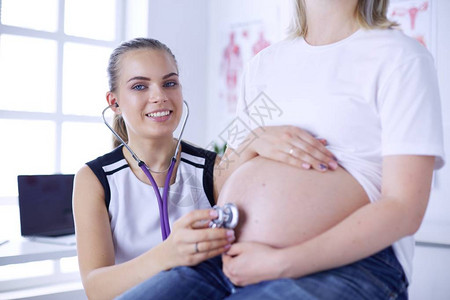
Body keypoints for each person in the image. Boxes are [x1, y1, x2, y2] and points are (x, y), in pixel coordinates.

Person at [116, 0, 445, 299]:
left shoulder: (400, 57)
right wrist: (253, 139)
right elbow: (221, 180)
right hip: (227, 257)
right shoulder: (264, 65)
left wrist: (283, 262)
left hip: (351, 264)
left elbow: (404, 208)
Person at [73, 38, 338, 299]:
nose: (160, 96)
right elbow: (96, 289)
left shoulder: (211, 169)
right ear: (115, 103)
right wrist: (167, 255)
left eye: (169, 83)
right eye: (140, 86)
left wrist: (257, 139)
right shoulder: (94, 180)